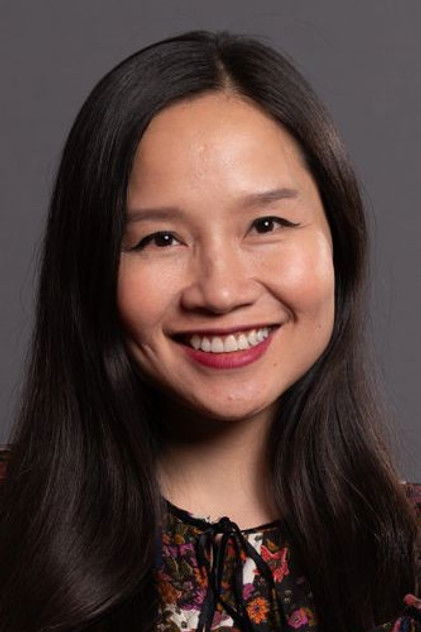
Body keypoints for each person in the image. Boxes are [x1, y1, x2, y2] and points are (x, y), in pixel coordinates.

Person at [0, 29, 419, 632]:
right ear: (90, 271)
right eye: (161, 239)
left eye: (267, 224)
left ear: (339, 244)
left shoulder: (409, 555)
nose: (221, 292)